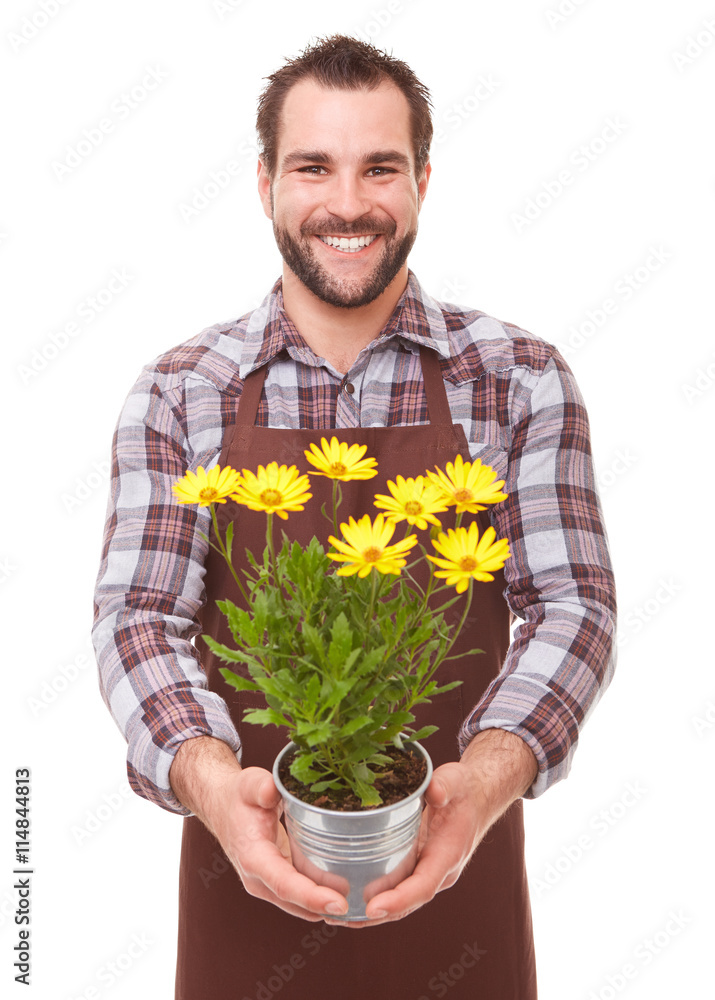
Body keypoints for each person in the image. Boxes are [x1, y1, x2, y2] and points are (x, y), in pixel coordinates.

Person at [93, 35, 616, 999]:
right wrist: (213, 786)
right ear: (264, 184)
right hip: (241, 877)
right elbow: (138, 619)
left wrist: (484, 783)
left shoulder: (519, 381)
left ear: (422, 180)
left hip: (460, 871)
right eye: (312, 167)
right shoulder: (181, 392)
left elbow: (573, 606)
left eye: (379, 166)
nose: (346, 203)